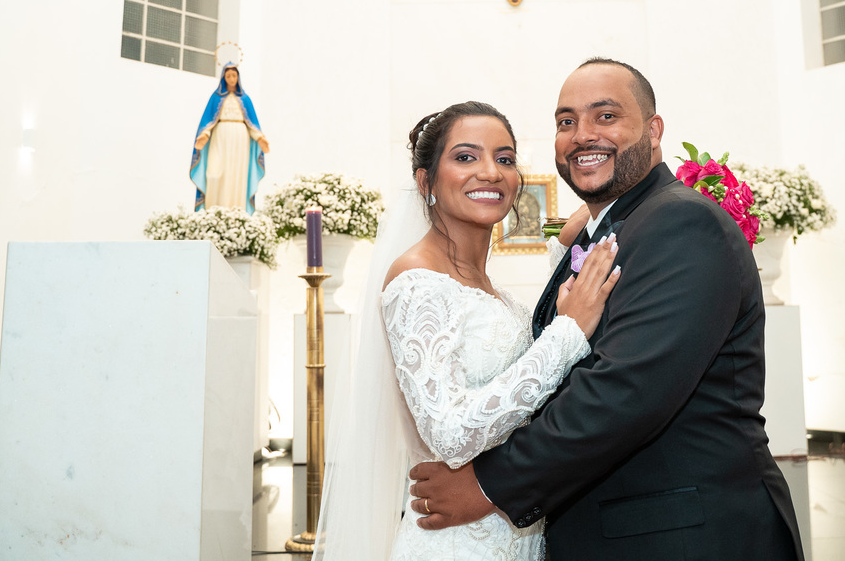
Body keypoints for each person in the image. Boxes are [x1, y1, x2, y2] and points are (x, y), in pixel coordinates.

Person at [408, 59, 805, 560]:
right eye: (566, 122)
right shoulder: (613, 231)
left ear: (654, 131)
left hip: (683, 535)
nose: (581, 136)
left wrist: (488, 484)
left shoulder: (682, 224)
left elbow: (626, 389)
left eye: (606, 117)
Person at [313, 101, 620, 561]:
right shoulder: (416, 281)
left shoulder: (497, 294)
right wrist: (568, 331)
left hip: (518, 534)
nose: (490, 172)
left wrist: (577, 239)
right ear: (426, 182)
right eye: (465, 157)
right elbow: (450, 433)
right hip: (455, 543)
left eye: (504, 158)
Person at [189, 62, 269, 214]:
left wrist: (260, 138)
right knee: (214, 173)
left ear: (238, 77)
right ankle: (213, 212)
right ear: (223, 78)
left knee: (237, 175)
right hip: (220, 136)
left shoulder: (245, 99)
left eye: (234, 75)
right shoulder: (215, 98)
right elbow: (208, 121)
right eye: (228, 76)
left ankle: (236, 212)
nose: (231, 79)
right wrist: (204, 135)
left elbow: (252, 124)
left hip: (240, 139)